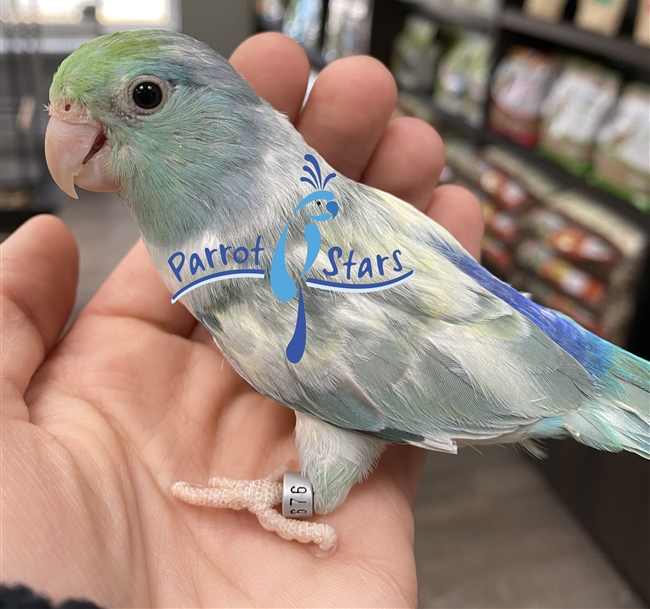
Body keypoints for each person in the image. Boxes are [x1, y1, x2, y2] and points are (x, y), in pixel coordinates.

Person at [0, 32, 483, 607]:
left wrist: (281, 498)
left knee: (314, 490)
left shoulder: (273, 286)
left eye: (146, 97)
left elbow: (332, 482)